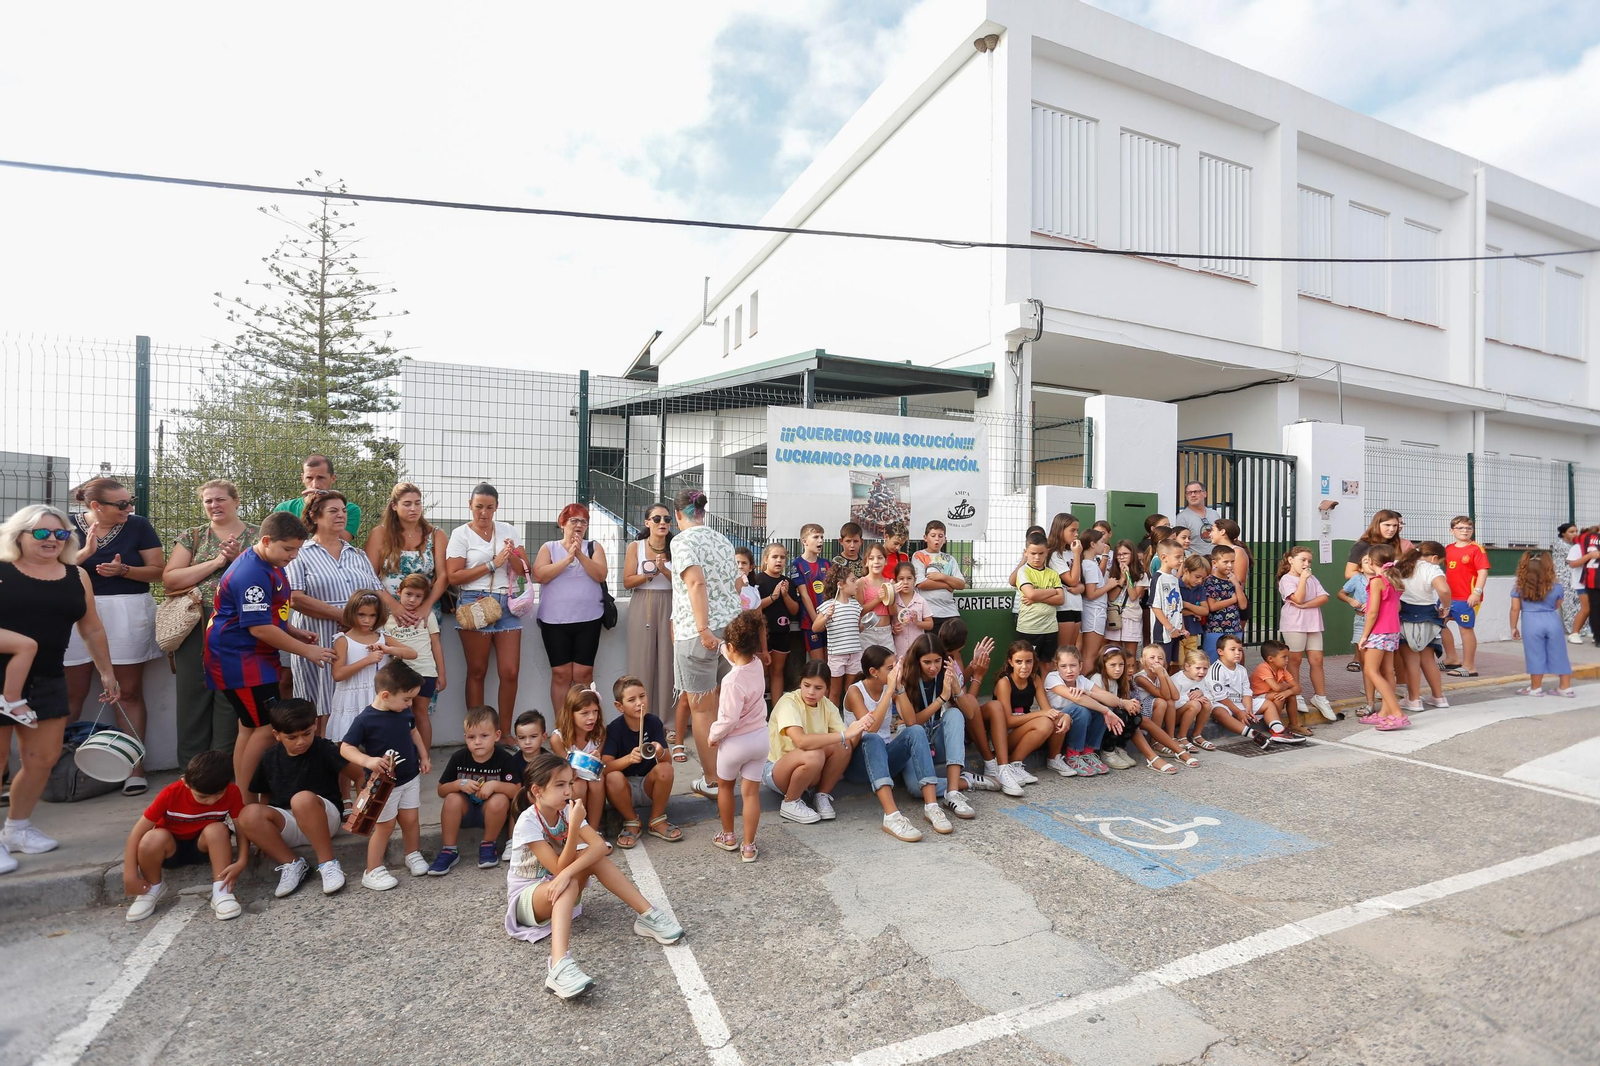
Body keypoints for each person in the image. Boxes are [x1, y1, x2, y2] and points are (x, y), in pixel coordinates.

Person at [504, 752, 685, 1000]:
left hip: (557, 886)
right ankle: (558, 966)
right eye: (560, 785)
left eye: (569, 783)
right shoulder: (528, 821)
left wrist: (568, 866)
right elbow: (557, 868)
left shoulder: (567, 812)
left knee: (593, 860)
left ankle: (648, 915)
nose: (568, 791)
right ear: (537, 790)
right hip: (528, 900)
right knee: (567, 881)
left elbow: (599, 846)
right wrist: (575, 832)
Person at [0, 505, 119, 874]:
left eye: (60, 533)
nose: (51, 539)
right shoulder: (2, 571)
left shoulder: (76, 575)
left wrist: (107, 672)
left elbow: (92, 628)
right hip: (3, 679)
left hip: (50, 676)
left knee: (43, 759)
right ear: (18, 535)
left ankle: (17, 829)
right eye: (40, 533)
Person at [204, 512, 336, 800]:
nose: (293, 555)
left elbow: (271, 613)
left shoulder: (271, 562)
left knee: (249, 726)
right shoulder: (251, 573)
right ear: (266, 541)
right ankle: (247, 805)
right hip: (240, 661)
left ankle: (241, 798)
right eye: (288, 549)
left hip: (253, 659)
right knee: (266, 727)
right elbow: (259, 627)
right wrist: (307, 650)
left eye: (297, 549)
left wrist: (293, 631)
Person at [63, 477, 164, 795]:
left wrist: (125, 571)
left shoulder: (138, 525)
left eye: (129, 500)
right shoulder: (64, 525)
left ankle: (135, 767)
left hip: (126, 610)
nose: (129, 508)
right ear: (96, 506)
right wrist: (84, 554)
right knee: (71, 694)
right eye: (121, 504)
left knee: (128, 692)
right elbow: (47, 567)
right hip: (74, 611)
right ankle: (56, 766)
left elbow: (159, 570)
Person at [163, 479, 258, 767]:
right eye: (208, 501)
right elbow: (170, 580)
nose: (214, 505)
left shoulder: (258, 536)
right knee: (192, 694)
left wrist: (237, 560)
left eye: (220, 500)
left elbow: (268, 577)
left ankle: (223, 768)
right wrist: (217, 562)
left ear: (236, 501)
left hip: (242, 625)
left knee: (230, 697)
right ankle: (192, 769)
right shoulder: (193, 536)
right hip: (197, 622)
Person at [285, 490, 380, 733]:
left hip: (357, 644)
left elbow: (376, 595)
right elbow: (294, 598)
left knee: (356, 704)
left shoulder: (357, 554)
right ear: (315, 516)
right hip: (318, 642)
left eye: (344, 511)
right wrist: (343, 616)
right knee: (318, 708)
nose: (341, 515)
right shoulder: (300, 553)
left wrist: (363, 621)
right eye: (333, 511)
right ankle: (323, 764)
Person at [236, 699, 349, 898]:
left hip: (322, 817)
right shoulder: (269, 757)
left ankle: (328, 863)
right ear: (276, 735)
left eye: (306, 733)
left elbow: (356, 773)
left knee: (302, 799)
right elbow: (265, 796)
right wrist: (263, 835)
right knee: (248, 813)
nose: (301, 741)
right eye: (292, 737)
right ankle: (292, 864)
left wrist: (357, 807)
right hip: (288, 822)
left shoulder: (324, 748)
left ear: (315, 724)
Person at [670, 488, 741, 802]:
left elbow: (696, 582)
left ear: (678, 514)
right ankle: (729, 772)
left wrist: (702, 628)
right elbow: (736, 583)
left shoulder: (681, 540)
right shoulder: (722, 540)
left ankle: (713, 780)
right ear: (702, 511)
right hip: (732, 628)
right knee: (727, 705)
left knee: (702, 709)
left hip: (698, 633)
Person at [122, 749, 246, 923]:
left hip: (204, 847)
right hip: (170, 850)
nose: (211, 801)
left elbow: (241, 829)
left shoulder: (232, 792)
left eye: (218, 795)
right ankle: (152, 888)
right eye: (203, 796)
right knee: (152, 838)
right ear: (187, 783)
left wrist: (241, 861)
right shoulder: (171, 793)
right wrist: (130, 874)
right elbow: (137, 834)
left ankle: (221, 891)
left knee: (218, 829)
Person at [339, 660, 432, 890]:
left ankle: (413, 854)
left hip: (409, 777)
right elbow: (345, 748)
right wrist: (368, 761)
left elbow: (413, 732)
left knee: (410, 819)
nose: (410, 704)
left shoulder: (403, 712)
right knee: (385, 826)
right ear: (386, 695)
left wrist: (424, 756)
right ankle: (372, 870)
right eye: (407, 699)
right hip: (383, 785)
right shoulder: (365, 720)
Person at [446, 483, 526, 737]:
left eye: (489, 507)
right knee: (478, 670)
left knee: (510, 672)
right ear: (470, 505)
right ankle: (478, 735)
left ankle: (504, 734)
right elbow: (454, 576)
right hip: (474, 601)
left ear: (496, 508)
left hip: (506, 603)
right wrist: (492, 564)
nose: (484, 512)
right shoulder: (461, 534)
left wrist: (510, 553)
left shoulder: (508, 530)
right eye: (479, 506)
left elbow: (525, 569)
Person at [838, 652, 939, 842]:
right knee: (873, 739)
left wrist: (898, 689)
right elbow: (871, 728)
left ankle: (932, 806)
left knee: (916, 731)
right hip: (858, 762)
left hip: (884, 759)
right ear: (874, 672)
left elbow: (910, 721)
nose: (896, 672)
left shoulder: (890, 687)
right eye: (891, 668)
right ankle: (892, 816)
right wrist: (889, 691)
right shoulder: (855, 691)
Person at [533, 503, 609, 716]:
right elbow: (539, 575)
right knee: (561, 674)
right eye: (573, 520)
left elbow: (600, 574)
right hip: (554, 621)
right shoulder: (549, 548)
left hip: (589, 619)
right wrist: (568, 558)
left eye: (583, 521)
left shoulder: (594, 547)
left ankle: (585, 723)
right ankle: (562, 727)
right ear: (562, 523)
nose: (579, 525)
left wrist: (580, 556)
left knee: (584, 674)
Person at [764, 661, 860, 823]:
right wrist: (845, 735)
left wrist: (860, 727)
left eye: (818, 688)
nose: (810, 692)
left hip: (811, 771)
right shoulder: (788, 702)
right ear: (800, 682)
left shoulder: (827, 706)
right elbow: (801, 741)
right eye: (806, 685)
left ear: (827, 689)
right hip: (776, 770)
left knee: (842, 746)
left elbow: (846, 742)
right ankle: (790, 802)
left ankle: (821, 795)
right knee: (815, 752)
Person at [430, 705, 522, 874]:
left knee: (500, 799)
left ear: (497, 736)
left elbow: (517, 791)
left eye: (484, 736)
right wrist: (458, 784)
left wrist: (495, 785)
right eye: (471, 737)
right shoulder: (459, 757)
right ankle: (449, 850)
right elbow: (441, 790)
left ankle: (488, 844)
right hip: (464, 813)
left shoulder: (504, 758)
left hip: (492, 815)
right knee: (452, 798)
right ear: (465, 738)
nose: (477, 742)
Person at [708, 611, 770, 861]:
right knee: (751, 793)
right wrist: (723, 645)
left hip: (735, 742)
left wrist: (713, 735)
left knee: (725, 786)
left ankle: (728, 835)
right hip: (759, 738)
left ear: (732, 646)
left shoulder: (731, 680)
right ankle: (748, 846)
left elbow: (728, 719)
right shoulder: (756, 664)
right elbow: (735, 654)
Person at [898, 633, 977, 818]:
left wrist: (957, 689)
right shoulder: (904, 679)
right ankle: (965, 781)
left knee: (955, 714)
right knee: (916, 788)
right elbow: (911, 722)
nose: (933, 667)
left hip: (936, 736)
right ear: (917, 661)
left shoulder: (945, 675)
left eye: (937, 661)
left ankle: (952, 793)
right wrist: (942, 698)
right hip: (913, 738)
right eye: (927, 662)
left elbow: (970, 714)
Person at [601, 675, 678, 847]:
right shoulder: (614, 729)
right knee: (613, 777)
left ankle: (656, 819)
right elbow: (605, 767)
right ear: (619, 706)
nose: (639, 703)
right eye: (631, 699)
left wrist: (659, 751)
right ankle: (632, 821)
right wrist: (628, 759)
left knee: (665, 769)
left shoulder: (653, 722)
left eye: (642, 696)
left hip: (648, 786)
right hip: (623, 790)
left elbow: (668, 761)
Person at [329, 590, 412, 745]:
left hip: (378, 697)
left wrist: (389, 650)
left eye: (372, 615)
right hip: (352, 698)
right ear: (352, 613)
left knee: (380, 743)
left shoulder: (382, 637)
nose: (367, 620)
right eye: (361, 615)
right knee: (350, 744)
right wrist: (367, 660)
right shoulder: (343, 640)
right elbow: (338, 674)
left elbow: (412, 653)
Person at [624, 502, 676, 743]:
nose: (662, 523)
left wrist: (664, 569)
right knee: (641, 663)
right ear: (647, 523)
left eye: (666, 519)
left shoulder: (676, 547)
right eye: (657, 519)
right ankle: (639, 720)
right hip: (642, 603)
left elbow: (685, 582)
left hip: (670, 603)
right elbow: (626, 581)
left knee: (668, 664)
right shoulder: (635, 547)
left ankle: (667, 723)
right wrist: (648, 574)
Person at [365, 481, 450, 625]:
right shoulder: (380, 534)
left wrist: (426, 606)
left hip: (424, 614)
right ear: (394, 506)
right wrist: (394, 606)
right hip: (388, 613)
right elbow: (369, 576)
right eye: (407, 504)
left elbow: (443, 576)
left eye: (417, 503)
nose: (413, 508)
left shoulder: (436, 534)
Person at [383, 574, 445, 751]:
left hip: (425, 672)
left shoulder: (428, 616)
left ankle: (424, 756)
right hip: (397, 676)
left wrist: (441, 673)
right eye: (408, 594)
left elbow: (436, 645)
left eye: (418, 596)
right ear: (399, 592)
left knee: (420, 714)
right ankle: (401, 755)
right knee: (399, 714)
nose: (412, 600)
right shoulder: (387, 618)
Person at [982, 641, 1057, 786]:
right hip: (1003, 737)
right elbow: (1008, 721)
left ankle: (1016, 764)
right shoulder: (1005, 683)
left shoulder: (1035, 679)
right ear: (1010, 662)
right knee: (1044, 722)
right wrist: (1040, 714)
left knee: (1049, 722)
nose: (1024, 666)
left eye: (1029, 661)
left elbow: (1048, 710)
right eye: (1018, 662)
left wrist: (1062, 717)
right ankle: (1011, 764)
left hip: (1022, 729)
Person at [1277, 546, 1336, 720]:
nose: (1307, 564)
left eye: (1309, 561)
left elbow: (1324, 597)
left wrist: (1305, 605)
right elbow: (1298, 597)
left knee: (1317, 660)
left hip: (1313, 623)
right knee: (1294, 660)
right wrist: (1303, 580)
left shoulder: (1313, 578)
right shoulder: (1286, 580)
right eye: (1302, 560)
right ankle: (1296, 694)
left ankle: (1320, 697)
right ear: (1291, 560)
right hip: (1294, 624)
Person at [1394, 542, 1452, 712]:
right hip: (1429, 614)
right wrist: (1446, 608)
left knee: (1411, 660)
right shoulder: (1431, 569)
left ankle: (1413, 700)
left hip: (1404, 613)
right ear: (1434, 558)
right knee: (1428, 659)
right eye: (1440, 561)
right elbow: (1444, 590)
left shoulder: (1400, 565)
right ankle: (1439, 697)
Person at [1043, 645, 1118, 775]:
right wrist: (1105, 710)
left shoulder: (1082, 680)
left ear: (1081, 666)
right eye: (1063, 666)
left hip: (1075, 724)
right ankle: (1072, 755)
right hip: (1056, 724)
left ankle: (1088, 753)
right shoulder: (1052, 678)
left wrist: (1090, 693)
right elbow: (1077, 699)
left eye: (1073, 665)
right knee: (1083, 709)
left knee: (1101, 707)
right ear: (1056, 666)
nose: (1069, 670)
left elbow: (1111, 699)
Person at [1356, 545, 1408, 730]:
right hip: (1392, 631)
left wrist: (1364, 636)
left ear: (1370, 562)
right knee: (1387, 672)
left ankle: (1397, 713)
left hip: (1378, 631)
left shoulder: (1377, 581)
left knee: (1371, 671)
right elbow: (1398, 608)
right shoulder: (1393, 580)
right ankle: (1385, 712)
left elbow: (1372, 612)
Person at [1511, 550, 1574, 697]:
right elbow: (1557, 604)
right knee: (1560, 654)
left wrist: (1513, 627)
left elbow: (1515, 608)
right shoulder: (1556, 587)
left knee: (1535, 654)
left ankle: (1536, 688)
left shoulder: (1519, 587)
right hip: (1552, 619)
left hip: (1531, 621)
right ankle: (1565, 688)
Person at [548, 684, 607, 837]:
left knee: (598, 780)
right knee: (579, 786)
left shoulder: (599, 733)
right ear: (570, 714)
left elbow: (596, 767)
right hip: (570, 777)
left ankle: (593, 830)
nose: (592, 717)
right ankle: (580, 829)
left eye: (595, 712)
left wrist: (597, 756)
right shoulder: (558, 738)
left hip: (590, 775)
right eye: (584, 713)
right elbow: (566, 770)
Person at [1201, 637, 1275, 750]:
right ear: (1220, 652)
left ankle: (1279, 731)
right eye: (1232, 649)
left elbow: (1246, 691)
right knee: (1218, 712)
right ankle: (1253, 734)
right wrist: (1239, 712)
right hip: (1224, 704)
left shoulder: (1241, 669)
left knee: (1268, 704)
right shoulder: (1216, 670)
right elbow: (1220, 697)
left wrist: (1248, 710)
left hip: (1240, 703)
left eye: (1240, 650)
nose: (1237, 653)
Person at [1133, 643, 1201, 764]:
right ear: (1142, 661)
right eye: (1152, 657)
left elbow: (1175, 696)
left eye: (1160, 658)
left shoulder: (1160, 675)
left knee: (1169, 702)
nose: (1156, 661)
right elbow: (1163, 695)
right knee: (1163, 701)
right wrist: (1161, 674)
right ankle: (1155, 741)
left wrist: (1164, 675)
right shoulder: (1140, 678)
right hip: (1142, 710)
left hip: (1157, 709)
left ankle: (1170, 737)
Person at [1441, 516, 1491, 677]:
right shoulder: (1448, 548)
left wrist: (1476, 592)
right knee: (1438, 622)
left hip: (1467, 597)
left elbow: (1482, 571)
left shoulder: (1476, 549)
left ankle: (1469, 666)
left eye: (1468, 528)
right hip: (1448, 597)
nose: (1464, 531)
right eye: (1460, 528)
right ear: (1452, 531)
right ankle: (1452, 659)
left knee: (1465, 629)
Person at [751, 543, 798, 708]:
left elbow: (794, 610)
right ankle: (757, 712)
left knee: (777, 673)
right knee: (759, 674)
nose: (779, 560)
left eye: (782, 557)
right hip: (761, 634)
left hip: (781, 633)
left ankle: (777, 713)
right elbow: (753, 607)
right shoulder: (757, 580)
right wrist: (773, 596)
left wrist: (785, 596)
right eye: (775, 557)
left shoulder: (788, 583)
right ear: (765, 559)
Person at [274, 454, 361, 542]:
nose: (315, 484)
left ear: (333, 478)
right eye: (309, 478)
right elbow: (279, 542)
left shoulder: (348, 509)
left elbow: (339, 541)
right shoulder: (284, 508)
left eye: (321, 478)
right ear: (302, 478)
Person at [814, 566, 867, 706]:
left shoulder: (856, 605)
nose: (856, 584)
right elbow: (815, 627)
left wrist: (866, 624)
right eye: (853, 581)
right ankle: (833, 721)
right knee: (835, 691)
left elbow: (858, 629)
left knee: (851, 690)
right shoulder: (829, 606)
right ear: (840, 584)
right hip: (836, 655)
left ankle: (849, 719)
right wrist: (826, 617)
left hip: (855, 654)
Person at [1015, 531, 1064, 664]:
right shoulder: (1023, 571)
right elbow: (1030, 594)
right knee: (1029, 666)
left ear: (1047, 552)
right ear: (1026, 552)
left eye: (1041, 553)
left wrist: (1037, 596)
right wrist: (1053, 591)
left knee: (1047, 665)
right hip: (1029, 628)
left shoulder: (1052, 574)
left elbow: (1061, 599)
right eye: (1033, 553)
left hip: (1050, 628)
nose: (1037, 557)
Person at [913, 520, 966, 632]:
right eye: (933, 535)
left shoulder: (950, 559)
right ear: (925, 537)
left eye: (940, 536)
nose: (937, 539)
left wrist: (942, 577)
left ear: (945, 539)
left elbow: (961, 584)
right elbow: (921, 583)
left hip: (951, 613)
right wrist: (948, 585)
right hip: (929, 613)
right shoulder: (919, 556)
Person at [1251, 640, 1308, 738]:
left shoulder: (1282, 669)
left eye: (1287, 657)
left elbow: (1298, 688)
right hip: (1258, 699)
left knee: (1291, 696)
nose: (1287, 660)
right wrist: (1287, 686)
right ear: (1270, 659)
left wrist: (1288, 692)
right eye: (1284, 657)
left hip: (1272, 696)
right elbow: (1276, 687)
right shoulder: (1263, 668)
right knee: (1278, 696)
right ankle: (1276, 725)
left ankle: (1294, 724)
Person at [792, 523, 831, 663]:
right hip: (810, 622)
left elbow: (831, 593)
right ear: (805, 541)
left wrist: (825, 619)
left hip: (828, 621)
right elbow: (804, 595)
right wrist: (816, 620)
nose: (820, 540)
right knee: (819, 664)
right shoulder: (797, 564)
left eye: (822, 537)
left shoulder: (827, 564)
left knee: (831, 664)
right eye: (816, 537)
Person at [1046, 513, 1084, 652]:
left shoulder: (1070, 551)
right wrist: (1077, 554)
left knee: (1071, 650)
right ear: (1060, 530)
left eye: (1077, 530)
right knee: (1063, 652)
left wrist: (1082, 587)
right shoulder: (1055, 554)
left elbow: (1079, 580)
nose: (1076, 534)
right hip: (1064, 607)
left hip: (1076, 605)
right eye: (1072, 530)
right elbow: (1072, 580)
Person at [1201, 545, 1247, 661]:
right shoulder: (1209, 581)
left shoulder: (1234, 580)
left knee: (1233, 661)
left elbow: (1243, 605)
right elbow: (1212, 606)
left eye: (1232, 561)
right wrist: (1232, 600)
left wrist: (1236, 584)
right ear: (1215, 563)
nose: (1230, 565)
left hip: (1234, 628)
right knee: (1213, 661)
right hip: (1215, 630)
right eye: (1226, 562)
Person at [1078, 529, 1113, 669]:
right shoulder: (1090, 565)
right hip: (1094, 612)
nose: (1104, 545)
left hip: (1091, 611)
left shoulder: (1087, 563)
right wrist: (1109, 585)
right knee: (1090, 654)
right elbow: (1091, 593)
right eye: (1102, 542)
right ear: (1092, 544)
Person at [1106, 540, 1148, 657]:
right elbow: (1111, 597)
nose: (1122, 557)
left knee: (1130, 655)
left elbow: (1134, 596)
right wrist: (1121, 579)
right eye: (1119, 555)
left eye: (1125, 554)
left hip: (1131, 617)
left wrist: (1128, 576)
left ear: (1132, 554)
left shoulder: (1141, 575)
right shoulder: (1111, 572)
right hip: (1115, 616)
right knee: (1114, 653)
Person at [1169, 649, 1217, 751]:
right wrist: (1190, 697)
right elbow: (1172, 703)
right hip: (1172, 717)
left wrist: (1201, 693)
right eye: (1198, 668)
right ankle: (1181, 736)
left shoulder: (1201, 678)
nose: (1202, 672)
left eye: (1205, 668)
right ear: (1187, 667)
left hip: (1187, 713)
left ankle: (1197, 735)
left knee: (1207, 703)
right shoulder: (1177, 680)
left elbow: (1211, 696)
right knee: (1195, 704)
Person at [1150, 538, 1185, 665]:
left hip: (1175, 630)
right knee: (1161, 664)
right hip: (1163, 632)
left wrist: (1182, 628)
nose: (1181, 560)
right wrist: (1170, 628)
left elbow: (1179, 607)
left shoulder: (1174, 579)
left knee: (1173, 663)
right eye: (1178, 557)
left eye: (1182, 557)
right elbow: (1155, 607)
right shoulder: (1157, 578)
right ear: (1164, 557)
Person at [857, 543, 895, 654]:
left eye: (880, 558)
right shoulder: (861, 583)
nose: (876, 562)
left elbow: (893, 612)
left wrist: (891, 594)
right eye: (871, 558)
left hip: (886, 632)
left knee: (890, 664)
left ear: (886, 561)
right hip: (867, 632)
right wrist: (877, 599)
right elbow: (860, 611)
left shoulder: (889, 582)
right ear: (866, 563)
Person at [1559, 523, 1594, 644]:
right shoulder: (1577, 548)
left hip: (1595, 582)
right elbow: (1573, 564)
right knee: (1586, 608)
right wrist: (1589, 556)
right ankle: (1574, 633)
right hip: (1582, 583)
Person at [1344, 510, 1404, 580]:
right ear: (1377, 525)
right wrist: (1375, 579)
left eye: (1395, 525)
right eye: (1387, 525)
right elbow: (1349, 573)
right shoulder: (1362, 545)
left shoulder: (1394, 544)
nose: (1392, 529)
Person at [1173, 482, 1221, 555]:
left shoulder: (1214, 514)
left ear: (1205, 494)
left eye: (1196, 492)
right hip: (1196, 562)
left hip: (1215, 559)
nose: (1193, 495)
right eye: (1189, 493)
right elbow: (1180, 543)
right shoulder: (1182, 517)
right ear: (1186, 496)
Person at [1178, 554, 1210, 661]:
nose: (1200, 581)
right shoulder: (1176, 585)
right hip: (1178, 632)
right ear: (1186, 571)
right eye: (1197, 577)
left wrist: (1186, 605)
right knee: (1177, 664)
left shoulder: (1200, 589)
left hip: (1194, 632)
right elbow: (1177, 611)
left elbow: (1205, 610)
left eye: (1203, 578)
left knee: (1192, 663)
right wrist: (1193, 612)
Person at [1209, 518, 1251, 590]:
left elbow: (1240, 580)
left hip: (1231, 596)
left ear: (1222, 531)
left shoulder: (1238, 552)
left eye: (1212, 530)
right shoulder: (1215, 551)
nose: (1210, 534)